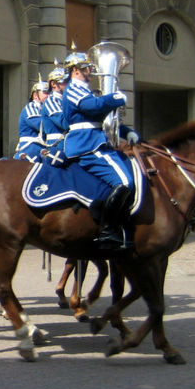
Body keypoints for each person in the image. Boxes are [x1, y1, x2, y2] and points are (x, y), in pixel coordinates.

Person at [61, 46, 139, 250]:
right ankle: (107, 231)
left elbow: (103, 119)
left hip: (95, 139)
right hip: (87, 144)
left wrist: (126, 131)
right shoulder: (74, 88)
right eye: (87, 68)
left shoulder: (85, 90)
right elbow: (92, 108)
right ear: (75, 70)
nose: (91, 72)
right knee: (125, 182)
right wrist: (115, 98)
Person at [12, 80, 48, 162]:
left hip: (42, 147)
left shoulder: (44, 108)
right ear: (35, 95)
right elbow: (41, 125)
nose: (49, 95)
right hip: (31, 148)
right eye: (45, 92)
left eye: (50, 92)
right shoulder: (31, 107)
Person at [40, 62, 68, 162]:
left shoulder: (65, 100)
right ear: (53, 84)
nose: (67, 84)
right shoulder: (52, 100)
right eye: (63, 82)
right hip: (58, 145)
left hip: (68, 142)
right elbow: (64, 123)